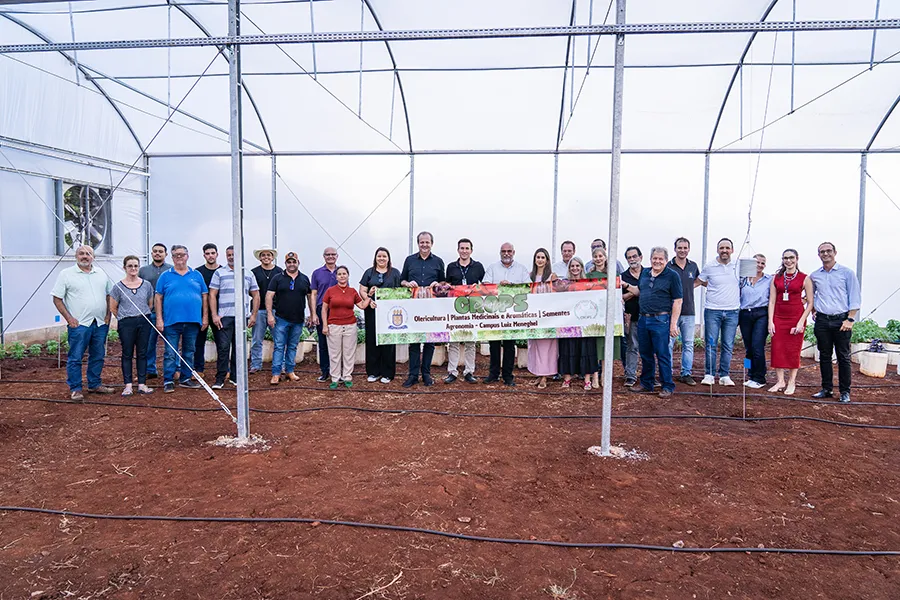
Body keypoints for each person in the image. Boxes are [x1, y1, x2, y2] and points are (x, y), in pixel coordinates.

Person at [51, 245, 114, 402]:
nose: (85, 256)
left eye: (88, 254)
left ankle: (94, 384)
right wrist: (69, 319)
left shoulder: (101, 273)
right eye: (81, 254)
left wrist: (108, 315)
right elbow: (57, 298)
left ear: (93, 257)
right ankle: (76, 389)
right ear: (76, 256)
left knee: (98, 355)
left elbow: (109, 296)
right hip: (79, 324)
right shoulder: (66, 274)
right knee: (76, 357)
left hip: (100, 323)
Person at [809, 242, 861, 403]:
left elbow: (855, 297)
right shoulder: (815, 275)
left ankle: (845, 392)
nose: (825, 254)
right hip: (823, 321)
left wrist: (850, 319)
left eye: (828, 251)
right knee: (824, 356)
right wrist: (813, 310)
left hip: (841, 320)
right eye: (822, 252)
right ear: (818, 255)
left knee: (843, 357)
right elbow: (812, 296)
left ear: (835, 252)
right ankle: (827, 388)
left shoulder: (847, 273)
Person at [631, 247, 683, 398]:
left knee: (662, 354)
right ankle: (647, 382)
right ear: (650, 259)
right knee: (645, 353)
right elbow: (640, 291)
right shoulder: (645, 273)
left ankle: (667, 385)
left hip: (661, 320)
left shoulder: (672, 276)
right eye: (655, 258)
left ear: (666, 260)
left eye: (661, 259)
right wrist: (623, 286)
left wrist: (673, 324)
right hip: (643, 318)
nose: (657, 261)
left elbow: (678, 300)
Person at [155, 245, 208, 393]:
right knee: (170, 352)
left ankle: (185, 378)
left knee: (189, 351)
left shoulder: (196, 275)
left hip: (193, 320)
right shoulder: (165, 276)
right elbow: (158, 297)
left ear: (187, 256)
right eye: (176, 255)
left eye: (182, 255)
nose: (179, 258)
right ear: (172, 258)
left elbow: (204, 295)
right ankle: (168, 380)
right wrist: (159, 319)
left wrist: (205, 317)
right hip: (172, 321)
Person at [208, 246, 260, 389]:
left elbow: (256, 295)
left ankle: (236, 378)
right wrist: (214, 314)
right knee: (223, 348)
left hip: (241, 317)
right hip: (225, 317)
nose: (231, 257)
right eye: (229, 255)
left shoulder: (248, 274)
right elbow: (212, 294)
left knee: (239, 349)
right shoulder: (220, 273)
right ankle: (220, 379)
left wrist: (253, 314)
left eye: (234, 254)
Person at [400, 232, 445, 387]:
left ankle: (426, 374)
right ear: (418, 243)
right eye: (421, 242)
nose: (424, 245)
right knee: (414, 341)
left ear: (432, 243)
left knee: (430, 341)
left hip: (431, 308)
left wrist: (437, 284)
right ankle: (412, 375)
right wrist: (407, 284)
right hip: (413, 307)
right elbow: (402, 280)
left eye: (427, 242)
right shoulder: (409, 260)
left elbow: (444, 283)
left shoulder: (438, 261)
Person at [483, 242, 531, 386]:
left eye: (509, 251)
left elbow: (528, 287)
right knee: (494, 344)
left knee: (510, 345)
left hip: (512, 314)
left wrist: (512, 286)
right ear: (500, 253)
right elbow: (485, 284)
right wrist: (499, 286)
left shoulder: (522, 269)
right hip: (495, 313)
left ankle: (508, 376)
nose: (506, 254)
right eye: (503, 251)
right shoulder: (492, 268)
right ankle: (493, 374)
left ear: (514, 252)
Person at [768, 249, 814, 396]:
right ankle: (780, 381)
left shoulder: (804, 278)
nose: (788, 261)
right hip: (779, 317)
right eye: (785, 258)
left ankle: (791, 381)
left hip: (796, 318)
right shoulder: (776, 278)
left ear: (797, 259)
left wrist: (801, 322)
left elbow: (810, 303)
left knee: (793, 350)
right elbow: (772, 301)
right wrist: (771, 321)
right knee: (778, 348)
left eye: (791, 258)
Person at [696, 238, 740, 386]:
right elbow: (698, 281)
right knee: (711, 343)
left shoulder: (739, 265)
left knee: (728, 344)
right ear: (717, 250)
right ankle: (709, 374)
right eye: (721, 248)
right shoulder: (709, 266)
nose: (724, 250)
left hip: (732, 311)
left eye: (727, 248)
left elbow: (753, 278)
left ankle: (724, 375)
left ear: (732, 250)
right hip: (712, 310)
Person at [266, 252, 314, 386]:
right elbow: (269, 296)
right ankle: (276, 373)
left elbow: (310, 297)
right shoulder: (277, 278)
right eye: (289, 262)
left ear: (298, 263)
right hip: (281, 318)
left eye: (294, 262)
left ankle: (290, 371)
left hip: (298, 320)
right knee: (279, 346)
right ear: (285, 263)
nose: (291, 264)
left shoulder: (304, 279)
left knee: (293, 346)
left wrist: (312, 313)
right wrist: (270, 314)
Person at [109, 255, 155, 396]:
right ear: (124, 268)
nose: (133, 268)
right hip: (126, 323)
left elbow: (150, 303)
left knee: (142, 353)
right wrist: (125, 317)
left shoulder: (146, 285)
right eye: (130, 266)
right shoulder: (118, 287)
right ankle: (128, 385)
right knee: (127, 353)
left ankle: (141, 384)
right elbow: (113, 307)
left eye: (136, 266)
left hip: (144, 321)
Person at [322, 266, 371, 389]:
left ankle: (347, 377)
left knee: (349, 353)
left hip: (350, 325)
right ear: (336, 276)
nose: (342, 276)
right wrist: (325, 325)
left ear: (348, 275)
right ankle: (335, 378)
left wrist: (369, 296)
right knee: (334, 353)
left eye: (344, 274)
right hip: (334, 326)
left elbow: (362, 305)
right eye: (339, 274)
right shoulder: (330, 291)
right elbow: (324, 309)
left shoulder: (353, 291)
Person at [443, 238, 485, 384]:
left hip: (472, 308)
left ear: (471, 250)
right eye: (462, 248)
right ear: (458, 250)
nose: (464, 251)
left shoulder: (478, 266)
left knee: (470, 341)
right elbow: (446, 285)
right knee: (454, 341)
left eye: (467, 248)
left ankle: (469, 371)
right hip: (455, 308)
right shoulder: (451, 267)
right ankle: (452, 372)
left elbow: (484, 286)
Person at [359, 247, 402, 384]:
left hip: (389, 314)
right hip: (372, 311)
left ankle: (387, 373)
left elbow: (400, 291)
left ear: (388, 258)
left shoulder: (395, 273)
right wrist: (369, 299)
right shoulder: (369, 272)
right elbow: (362, 290)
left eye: (384, 256)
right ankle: (373, 372)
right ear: (375, 258)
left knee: (388, 341)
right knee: (372, 340)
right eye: (379, 256)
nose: (382, 259)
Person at [557, 257, 598, 390]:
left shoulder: (588, 284)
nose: (574, 268)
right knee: (567, 349)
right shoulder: (564, 284)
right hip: (568, 324)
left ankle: (587, 379)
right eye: (572, 266)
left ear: (581, 267)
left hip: (586, 322)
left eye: (577, 266)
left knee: (586, 349)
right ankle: (567, 379)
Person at [585, 246, 622, 389]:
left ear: (605, 257)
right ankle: (594, 376)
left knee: (607, 347)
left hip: (609, 316)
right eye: (596, 256)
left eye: (601, 256)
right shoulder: (588, 276)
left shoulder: (613, 275)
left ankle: (605, 377)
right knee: (594, 347)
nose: (598, 259)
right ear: (592, 259)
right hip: (593, 316)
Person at [667, 237, 700, 385]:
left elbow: (698, 280)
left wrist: (687, 289)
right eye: (680, 248)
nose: (682, 250)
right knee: (668, 343)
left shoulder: (693, 266)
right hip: (671, 312)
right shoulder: (668, 266)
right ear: (675, 249)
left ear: (689, 249)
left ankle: (686, 373)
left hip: (689, 311)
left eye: (685, 248)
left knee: (688, 343)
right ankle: (667, 372)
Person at [139, 242, 172, 379]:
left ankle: (172, 369)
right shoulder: (143, 270)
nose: (157, 253)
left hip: (169, 312)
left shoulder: (171, 270)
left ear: (166, 254)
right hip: (149, 312)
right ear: (151, 253)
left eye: (160, 251)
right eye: (155, 251)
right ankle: (150, 369)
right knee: (149, 342)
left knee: (171, 343)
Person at [527, 248, 558, 389]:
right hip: (533, 317)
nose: (540, 260)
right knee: (535, 346)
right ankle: (538, 374)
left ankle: (545, 376)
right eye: (538, 257)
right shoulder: (530, 277)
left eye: (543, 257)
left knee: (547, 347)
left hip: (548, 317)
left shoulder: (552, 276)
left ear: (547, 260)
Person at [738, 254, 771, 389]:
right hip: (745, 314)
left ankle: (760, 377)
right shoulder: (742, 279)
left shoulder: (769, 279)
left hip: (761, 314)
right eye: (757, 262)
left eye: (763, 263)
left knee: (757, 346)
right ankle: (750, 374)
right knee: (748, 348)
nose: (760, 265)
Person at [249, 244, 283, 373]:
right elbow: (250, 291)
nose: (266, 257)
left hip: (277, 310)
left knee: (279, 339)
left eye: (268, 255)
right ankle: (256, 364)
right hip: (259, 310)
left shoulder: (280, 271)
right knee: (257, 339)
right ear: (260, 258)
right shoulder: (254, 272)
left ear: (272, 257)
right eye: (263, 255)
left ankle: (280, 364)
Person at [310, 247, 339, 382]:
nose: (330, 257)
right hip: (322, 310)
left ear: (337, 256)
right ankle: (325, 371)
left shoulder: (341, 272)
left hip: (338, 310)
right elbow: (314, 294)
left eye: (333, 254)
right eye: (328, 254)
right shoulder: (317, 273)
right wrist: (313, 313)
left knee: (337, 342)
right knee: (323, 342)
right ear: (324, 256)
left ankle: (337, 372)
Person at [193, 243, 220, 375]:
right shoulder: (198, 272)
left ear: (217, 254)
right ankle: (198, 369)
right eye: (207, 253)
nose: (210, 256)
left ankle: (223, 370)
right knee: (199, 341)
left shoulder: (223, 271)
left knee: (222, 342)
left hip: (219, 313)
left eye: (212, 253)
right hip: (201, 312)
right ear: (204, 255)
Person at [621, 246, 644, 387]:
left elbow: (648, 292)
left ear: (640, 257)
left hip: (649, 316)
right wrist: (635, 291)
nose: (632, 259)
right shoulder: (623, 276)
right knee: (632, 346)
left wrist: (630, 288)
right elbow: (621, 298)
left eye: (634, 256)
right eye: (629, 257)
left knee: (648, 348)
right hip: (631, 316)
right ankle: (630, 375)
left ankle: (649, 375)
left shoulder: (649, 273)